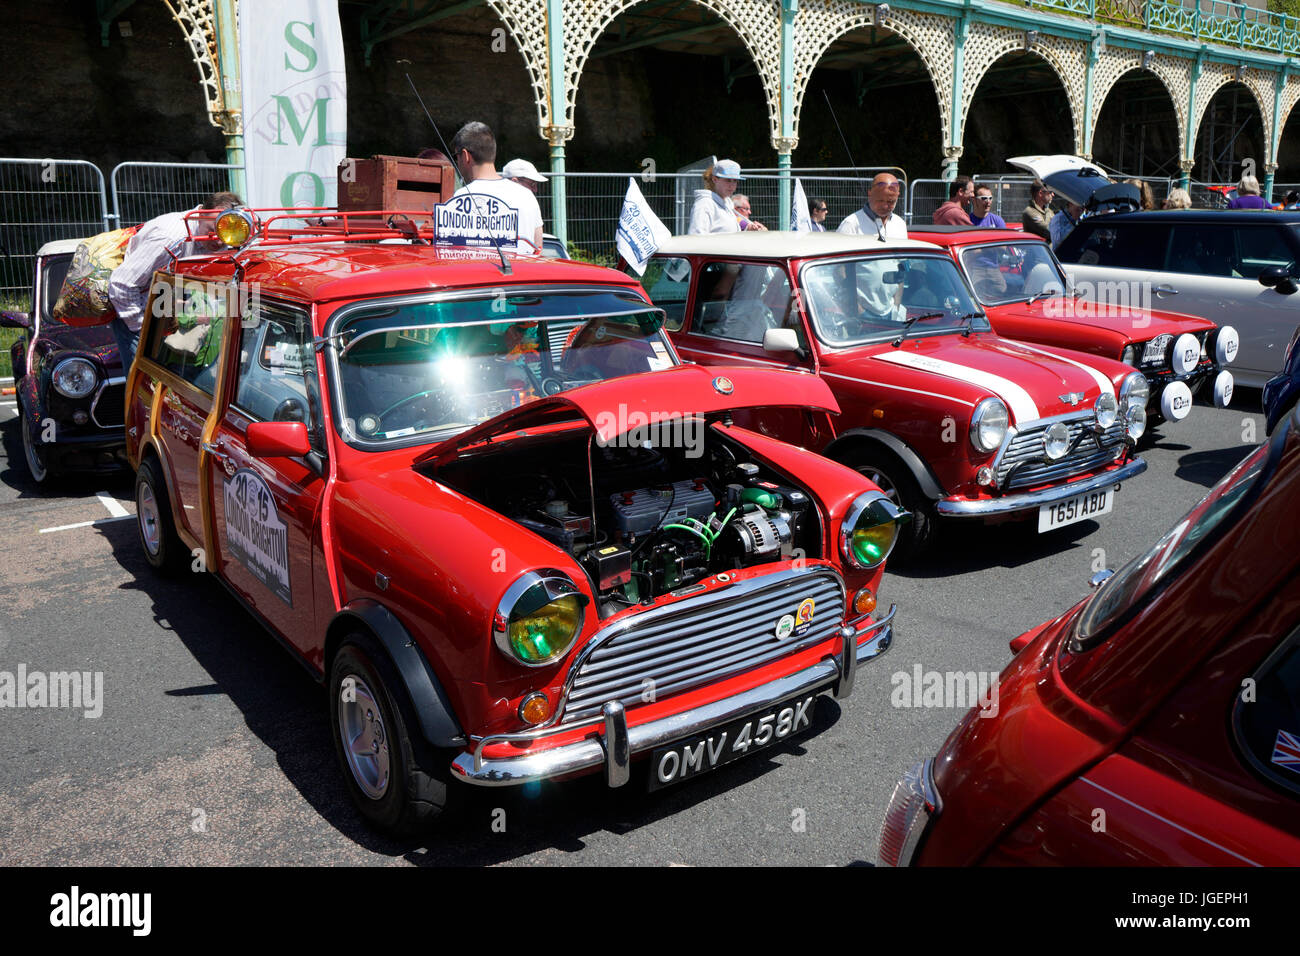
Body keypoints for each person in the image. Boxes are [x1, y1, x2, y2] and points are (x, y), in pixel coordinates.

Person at [107, 191, 242, 369]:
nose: (218, 242)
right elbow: (121, 284)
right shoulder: (171, 238)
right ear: (201, 215)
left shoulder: (219, 234)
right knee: (145, 384)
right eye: (212, 231)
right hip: (136, 311)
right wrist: (144, 331)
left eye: (223, 235)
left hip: (168, 311)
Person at [448, 121, 545, 253]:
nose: (457, 162)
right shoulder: (527, 196)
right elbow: (538, 248)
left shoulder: (460, 198)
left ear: (465, 156)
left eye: (456, 157)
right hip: (523, 272)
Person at [688, 159, 761, 234]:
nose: (732, 185)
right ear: (715, 179)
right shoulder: (704, 204)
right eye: (728, 180)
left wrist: (748, 229)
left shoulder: (727, 205)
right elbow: (696, 237)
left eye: (735, 181)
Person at [838, 172, 908, 239]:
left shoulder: (900, 224)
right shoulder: (851, 224)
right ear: (869, 194)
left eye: (890, 202)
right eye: (880, 201)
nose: (885, 206)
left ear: (897, 196)